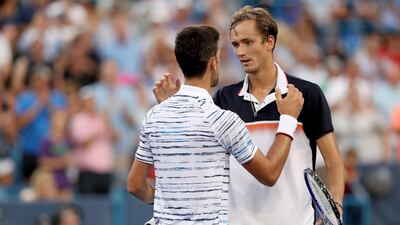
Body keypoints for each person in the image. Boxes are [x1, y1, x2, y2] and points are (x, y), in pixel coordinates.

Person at [153, 6, 344, 225]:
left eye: (248, 42)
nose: (240, 52)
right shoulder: (224, 98)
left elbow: (334, 161)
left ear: (269, 42)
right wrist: (172, 109)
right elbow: (196, 150)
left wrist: (335, 208)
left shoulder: (307, 94)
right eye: (235, 44)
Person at [127, 24, 304, 224]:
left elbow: (135, 185)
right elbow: (269, 174)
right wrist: (288, 119)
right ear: (213, 63)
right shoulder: (222, 121)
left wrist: (165, 201)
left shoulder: (155, 116)